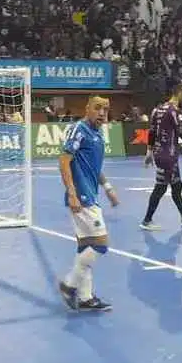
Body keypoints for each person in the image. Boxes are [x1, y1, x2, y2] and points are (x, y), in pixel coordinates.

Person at [57, 96, 119, 312]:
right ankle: (70, 285)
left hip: (91, 194)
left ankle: (85, 298)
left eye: (106, 109)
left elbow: (94, 167)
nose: (102, 112)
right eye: (98, 108)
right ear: (87, 109)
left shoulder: (98, 134)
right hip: (82, 197)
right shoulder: (79, 129)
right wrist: (72, 193)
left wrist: (108, 188)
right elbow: (64, 159)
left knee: (85, 246)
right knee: (100, 244)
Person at [140, 80, 182, 231]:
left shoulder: (156, 110)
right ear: (180, 93)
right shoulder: (173, 111)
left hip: (160, 153)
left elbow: (151, 132)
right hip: (167, 156)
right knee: (161, 187)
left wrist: (149, 151)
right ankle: (147, 220)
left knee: (177, 185)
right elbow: (181, 132)